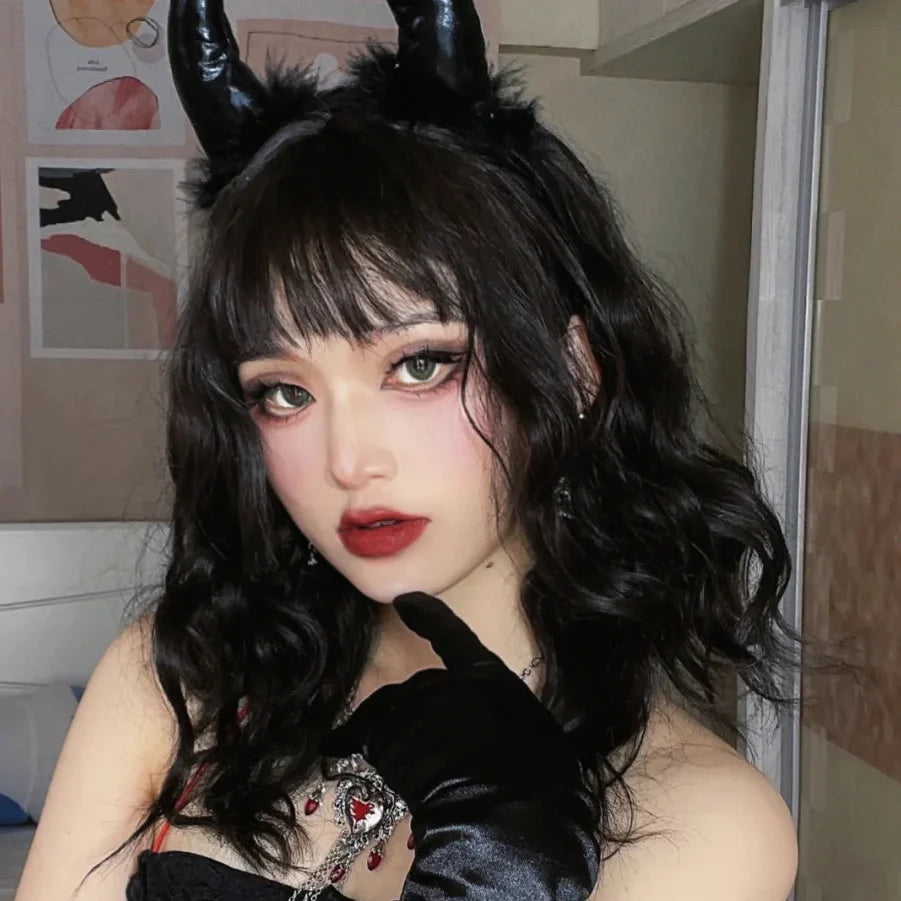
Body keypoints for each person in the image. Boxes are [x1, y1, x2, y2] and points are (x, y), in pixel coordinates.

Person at [17, 1, 805, 899]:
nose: (349, 461)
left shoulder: (700, 821)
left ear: (572, 371)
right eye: (284, 392)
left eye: (419, 364)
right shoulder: (177, 685)